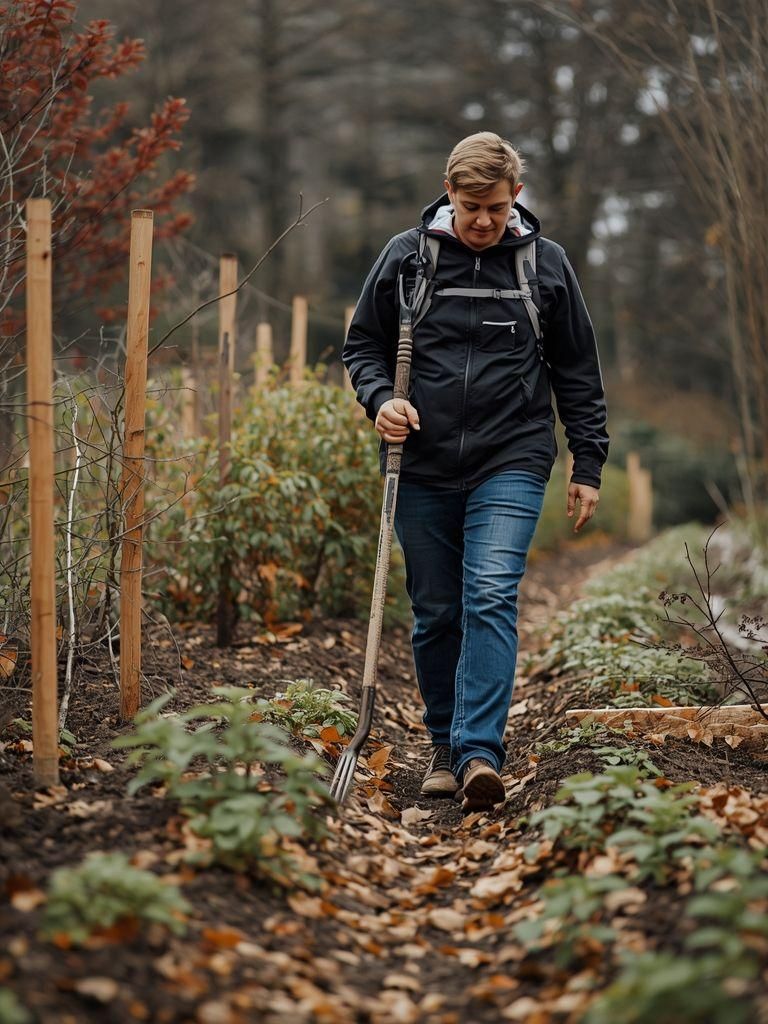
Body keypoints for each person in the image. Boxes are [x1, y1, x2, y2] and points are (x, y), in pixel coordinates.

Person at [342, 131, 608, 811]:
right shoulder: (407, 259)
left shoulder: (544, 266)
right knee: (436, 611)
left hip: (512, 455)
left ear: (515, 195)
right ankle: (441, 747)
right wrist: (382, 401)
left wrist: (589, 459)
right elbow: (363, 345)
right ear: (448, 192)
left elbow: (577, 368)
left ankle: (480, 752)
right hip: (420, 461)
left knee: (488, 592)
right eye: (470, 207)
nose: (483, 221)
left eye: (495, 207)